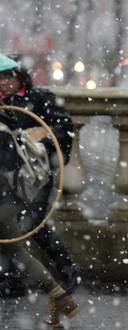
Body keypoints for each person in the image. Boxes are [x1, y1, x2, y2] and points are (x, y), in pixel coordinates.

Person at [0, 59, 79, 296]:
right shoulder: (4, 105)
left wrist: (38, 145)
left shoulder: (41, 98)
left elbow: (64, 129)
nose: (3, 82)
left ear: (19, 76)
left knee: (33, 222)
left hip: (37, 175)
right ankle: (13, 280)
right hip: (10, 176)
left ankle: (67, 270)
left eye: (7, 76)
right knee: (10, 228)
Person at [0, 110, 79, 328]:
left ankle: (62, 299)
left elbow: (6, 168)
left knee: (15, 252)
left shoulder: (2, 130)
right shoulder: (7, 125)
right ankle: (61, 298)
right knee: (16, 251)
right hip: (7, 202)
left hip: (3, 203)